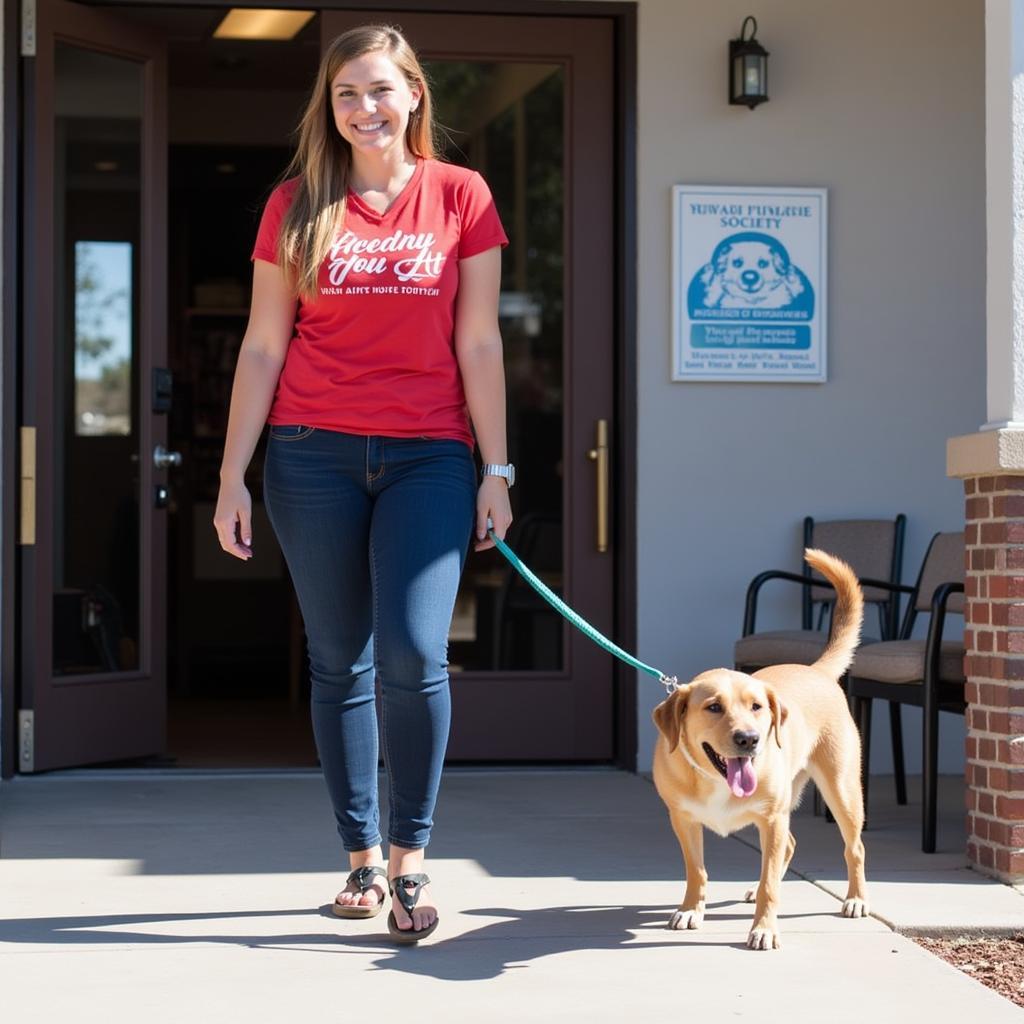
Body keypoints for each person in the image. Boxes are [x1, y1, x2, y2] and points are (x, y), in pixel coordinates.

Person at [213, 23, 513, 944]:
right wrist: (233, 473)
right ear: (329, 108)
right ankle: (360, 862)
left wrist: (495, 467)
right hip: (310, 452)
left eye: (381, 89)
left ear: (415, 94)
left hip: (429, 452)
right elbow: (264, 343)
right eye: (347, 94)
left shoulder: (461, 195)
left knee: (416, 654)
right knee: (341, 658)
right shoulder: (296, 203)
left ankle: (414, 863)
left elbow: (479, 340)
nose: (365, 108)